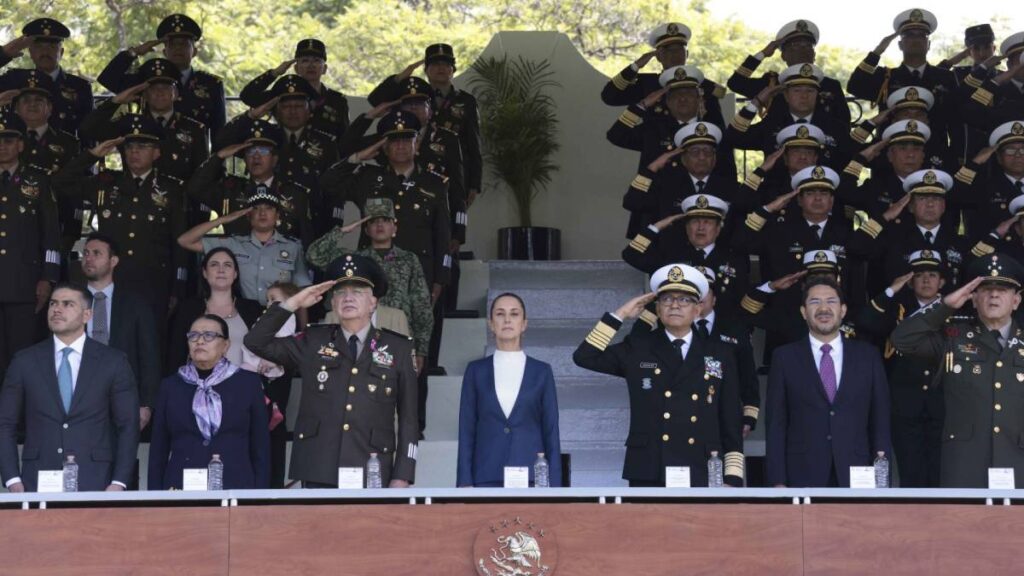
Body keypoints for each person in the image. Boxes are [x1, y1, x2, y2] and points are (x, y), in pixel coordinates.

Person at [244, 255, 419, 488]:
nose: (348, 298)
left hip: (372, 467)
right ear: (333, 304)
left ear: (373, 302)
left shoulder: (398, 348)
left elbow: (408, 419)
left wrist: (403, 475)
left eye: (357, 291)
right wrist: (292, 303)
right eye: (340, 293)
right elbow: (256, 342)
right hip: (318, 467)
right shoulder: (313, 341)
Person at [573, 263, 744, 487]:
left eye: (684, 300)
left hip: (702, 466)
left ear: (697, 309)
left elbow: (730, 418)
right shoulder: (639, 346)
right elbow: (585, 357)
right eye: (666, 299)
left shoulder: (719, 353)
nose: (674, 305)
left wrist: (732, 477)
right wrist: (621, 314)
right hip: (650, 466)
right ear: (657, 309)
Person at [891, 253, 1024, 487]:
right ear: (972, 298)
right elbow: (902, 340)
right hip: (964, 466)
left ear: (1016, 301)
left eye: (1002, 289)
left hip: (1017, 462)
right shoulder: (953, 337)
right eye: (985, 289)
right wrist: (944, 306)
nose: (994, 294)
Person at [52, 113, 189, 328]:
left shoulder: (172, 189)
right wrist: (92, 155)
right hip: (111, 282)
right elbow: (60, 182)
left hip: (153, 283)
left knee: (151, 348)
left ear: (156, 152)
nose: (134, 152)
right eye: (129, 147)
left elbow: (179, 242)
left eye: (142, 147)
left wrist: (178, 288)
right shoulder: (105, 184)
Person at [0, 283, 139, 492]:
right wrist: (12, 479)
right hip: (37, 479)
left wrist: (119, 482)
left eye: (68, 304)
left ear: (87, 315)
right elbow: (5, 423)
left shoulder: (113, 361)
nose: (57, 309)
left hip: (97, 480)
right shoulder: (25, 361)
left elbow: (128, 424)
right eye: (53, 303)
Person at [765, 276, 892, 488]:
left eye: (831, 301)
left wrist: (881, 479)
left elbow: (880, 420)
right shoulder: (784, 358)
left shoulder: (867, 356)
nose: (824, 308)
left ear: (843, 310)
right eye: (815, 302)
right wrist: (778, 481)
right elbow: (776, 424)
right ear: (804, 312)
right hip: (802, 473)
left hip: (858, 473)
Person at [148, 313, 270, 490]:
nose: (200, 341)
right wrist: (155, 498)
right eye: (193, 336)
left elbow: (260, 447)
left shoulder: (247, 383)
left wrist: (260, 497)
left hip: (236, 485)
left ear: (225, 345)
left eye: (209, 336)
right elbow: (159, 449)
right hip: (180, 487)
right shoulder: (171, 386)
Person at [857, 250, 946, 487]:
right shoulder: (896, 308)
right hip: (904, 403)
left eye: (932, 274)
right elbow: (864, 321)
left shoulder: (954, 309)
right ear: (910, 281)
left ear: (942, 282)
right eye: (919, 275)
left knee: (942, 474)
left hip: (944, 404)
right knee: (911, 472)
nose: (926, 280)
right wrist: (890, 290)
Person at [457, 293, 562, 488]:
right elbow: (466, 429)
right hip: (485, 475)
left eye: (514, 314)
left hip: (533, 478)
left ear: (524, 324)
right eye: (500, 314)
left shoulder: (541, 372)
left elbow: (551, 431)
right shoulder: (475, 371)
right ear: (491, 323)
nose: (507, 320)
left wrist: (554, 486)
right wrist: (464, 481)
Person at [0, 109, 60, 384]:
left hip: (24, 284)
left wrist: (47, 277)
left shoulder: (38, 179)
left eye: (9, 140)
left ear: (21, 145)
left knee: (21, 355)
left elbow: (50, 234)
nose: (3, 146)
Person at [97, 13, 226, 138]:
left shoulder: (211, 84)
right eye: (172, 44)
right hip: (149, 154)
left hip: (194, 157)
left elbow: (218, 130)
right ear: (164, 52)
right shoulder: (146, 78)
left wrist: (217, 159)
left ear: (195, 52)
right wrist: (135, 52)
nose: (178, 48)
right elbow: (108, 79)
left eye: (184, 44)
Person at [80, 233, 160, 432]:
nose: (88, 258)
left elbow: (149, 357)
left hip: (122, 398)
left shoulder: (136, 304)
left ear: (113, 261)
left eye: (96, 253)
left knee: (121, 460)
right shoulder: (69, 301)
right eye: (86, 253)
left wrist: (146, 404)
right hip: (77, 397)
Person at [177, 190, 311, 306]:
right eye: (256, 208)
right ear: (248, 215)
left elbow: (301, 291)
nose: (262, 213)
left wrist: (303, 329)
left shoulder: (293, 247)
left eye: (269, 208)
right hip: (243, 315)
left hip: (280, 317)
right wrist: (221, 220)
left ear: (277, 216)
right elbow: (185, 241)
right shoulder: (234, 243)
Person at [726, 19, 849, 125]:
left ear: (814, 55)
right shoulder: (772, 84)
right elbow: (736, 83)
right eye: (795, 45)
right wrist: (763, 54)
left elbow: (844, 124)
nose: (803, 49)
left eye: (808, 45)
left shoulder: (830, 85)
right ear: (783, 56)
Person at [167, 247, 263, 375]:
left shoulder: (252, 309)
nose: (221, 270)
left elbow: (266, 351)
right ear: (205, 273)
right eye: (214, 265)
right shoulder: (188, 309)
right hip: (199, 389)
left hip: (244, 388)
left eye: (227, 265)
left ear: (235, 274)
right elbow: (176, 354)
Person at [239, 39, 351, 142]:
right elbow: (248, 96)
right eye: (305, 61)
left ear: (324, 69)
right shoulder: (283, 93)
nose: (311, 66)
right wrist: (274, 73)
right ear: (296, 68)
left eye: (316, 61)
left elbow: (344, 138)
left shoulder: (336, 100)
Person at [0, 18, 93, 135]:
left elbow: (89, 132)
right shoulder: (14, 80)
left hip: (66, 152)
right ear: (30, 52)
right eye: (39, 46)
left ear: (62, 52)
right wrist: (3, 54)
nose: (45, 52)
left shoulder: (80, 87)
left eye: (52, 46)